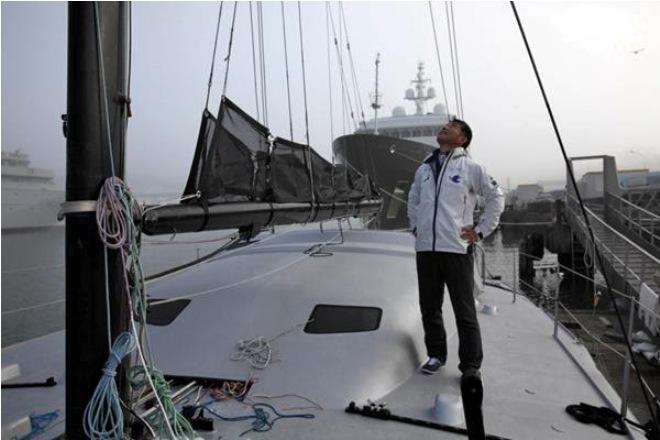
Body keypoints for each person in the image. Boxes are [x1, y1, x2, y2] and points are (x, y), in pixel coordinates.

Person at [407, 119, 504, 376]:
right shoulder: (424, 169)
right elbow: (413, 199)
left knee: (464, 309)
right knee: (429, 307)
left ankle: (471, 365)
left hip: (457, 249)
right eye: (444, 126)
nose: (444, 128)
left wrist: (480, 231)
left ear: (462, 139)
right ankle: (436, 355)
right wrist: (417, 227)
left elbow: (497, 197)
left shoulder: (472, 168)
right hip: (426, 249)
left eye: (451, 126)